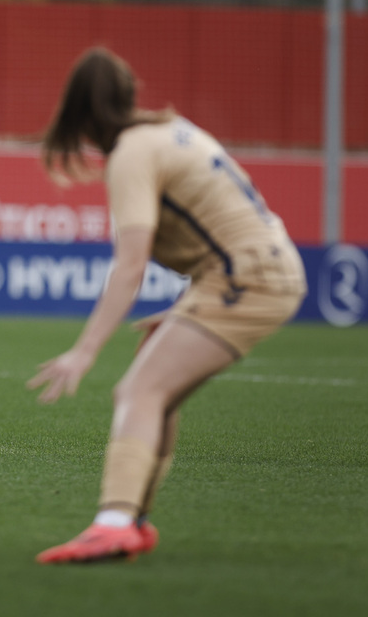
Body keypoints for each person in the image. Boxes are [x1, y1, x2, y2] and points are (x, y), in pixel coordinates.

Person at [27, 47, 307, 563]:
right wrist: (187, 308)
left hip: (245, 278)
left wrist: (84, 351)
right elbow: (223, 227)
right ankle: (133, 521)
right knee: (159, 392)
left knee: (138, 391)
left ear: (84, 115)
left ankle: (113, 525)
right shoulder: (176, 131)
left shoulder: (131, 154)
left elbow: (130, 266)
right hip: (262, 267)